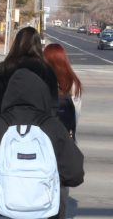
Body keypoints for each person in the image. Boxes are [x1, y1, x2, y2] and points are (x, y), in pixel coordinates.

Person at [0, 68, 84, 219]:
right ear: (42, 94)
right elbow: (75, 173)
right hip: (46, 212)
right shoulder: (52, 126)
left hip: (4, 210)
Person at [43, 43, 83, 219]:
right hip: (65, 141)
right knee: (62, 185)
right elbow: (76, 117)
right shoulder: (73, 83)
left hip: (43, 140)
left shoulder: (40, 79)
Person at [0, 26, 59, 118]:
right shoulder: (46, 69)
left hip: (7, 122)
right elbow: (53, 103)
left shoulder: (3, 68)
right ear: (38, 45)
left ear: (16, 43)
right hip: (39, 123)